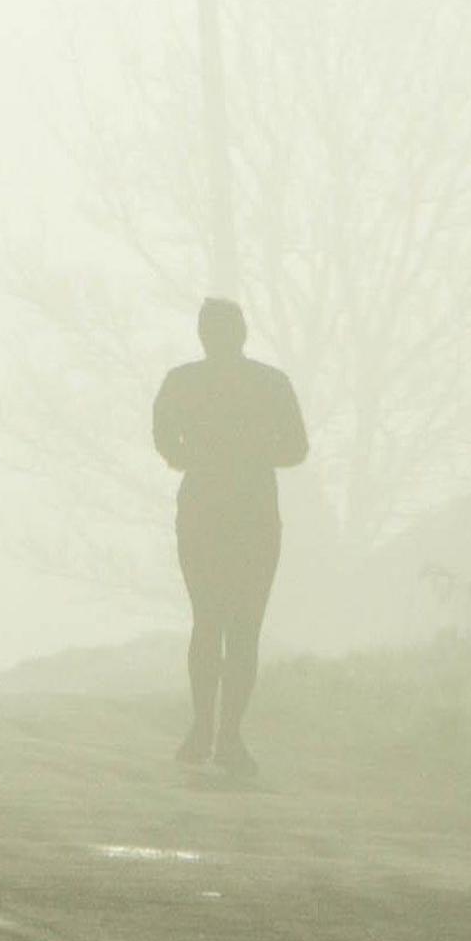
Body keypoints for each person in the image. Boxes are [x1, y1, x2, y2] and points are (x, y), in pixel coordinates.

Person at [151, 297, 308, 773]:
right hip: (255, 515)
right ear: (242, 332)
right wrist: (257, 453)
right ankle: (229, 736)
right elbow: (298, 448)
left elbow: (163, 440)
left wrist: (191, 457)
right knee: (244, 628)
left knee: (207, 620)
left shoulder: (181, 382)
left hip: (201, 511)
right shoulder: (271, 384)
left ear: (203, 334)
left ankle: (203, 729)